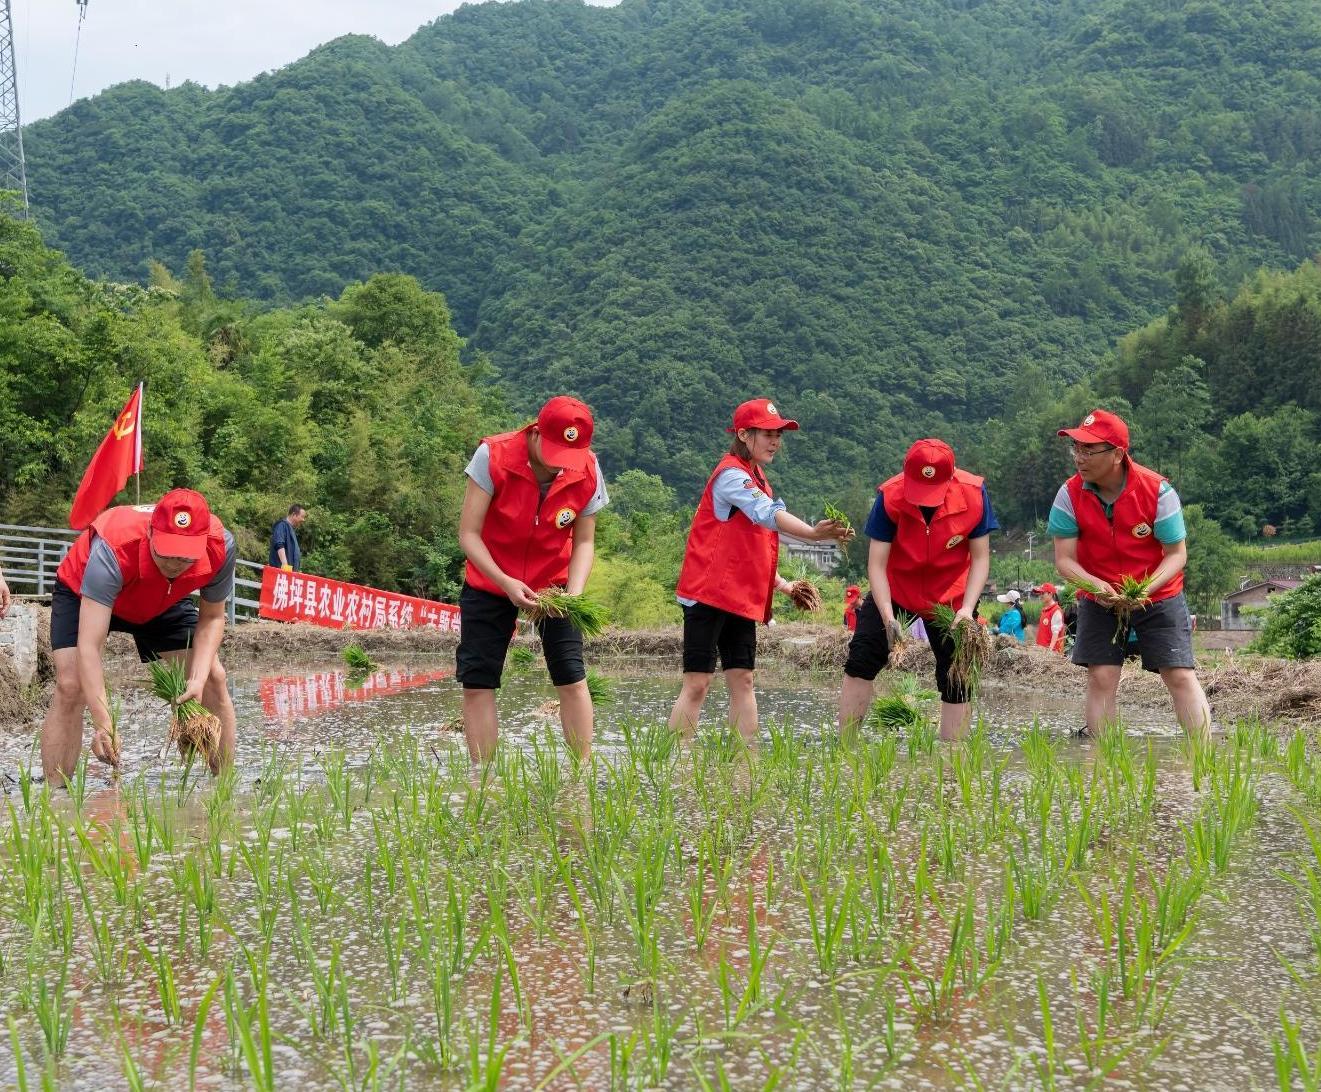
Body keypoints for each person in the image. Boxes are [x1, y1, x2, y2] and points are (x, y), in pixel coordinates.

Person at [669, 399, 852, 742]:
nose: (775, 441)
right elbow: (766, 514)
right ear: (743, 434)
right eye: (768, 434)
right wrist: (812, 534)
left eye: (778, 435)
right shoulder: (731, 475)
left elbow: (751, 547)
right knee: (698, 682)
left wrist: (783, 585)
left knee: (743, 679)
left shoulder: (756, 476)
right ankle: (677, 760)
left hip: (736, 596)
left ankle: (745, 760)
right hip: (707, 594)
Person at [41, 488, 238, 784]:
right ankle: (55, 796)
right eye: (166, 553)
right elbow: (89, 646)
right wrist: (103, 721)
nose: (174, 564)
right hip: (86, 593)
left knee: (213, 677)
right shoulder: (113, 547)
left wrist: (196, 680)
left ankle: (225, 788)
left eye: (185, 557)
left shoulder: (221, 546)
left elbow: (211, 618)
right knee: (71, 685)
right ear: (150, 533)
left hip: (162, 599)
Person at [456, 396, 608, 762]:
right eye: (555, 453)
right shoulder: (493, 456)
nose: (560, 466)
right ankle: (482, 777)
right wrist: (505, 582)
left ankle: (580, 773)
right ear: (536, 433)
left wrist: (573, 596)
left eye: (568, 458)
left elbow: (584, 541)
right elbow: (468, 535)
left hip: (553, 581)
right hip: (491, 578)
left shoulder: (588, 469)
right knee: (478, 681)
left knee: (571, 675)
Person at [1049, 409, 1210, 738]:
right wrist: (1097, 586)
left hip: (1158, 593)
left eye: (1089, 450)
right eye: (1076, 448)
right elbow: (1065, 561)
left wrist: (1145, 589)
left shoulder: (1158, 492)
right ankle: (1101, 754)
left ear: (1118, 454)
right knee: (1101, 676)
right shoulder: (1068, 494)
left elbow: (1176, 554)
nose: (1079, 457)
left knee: (1179, 674)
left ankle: (1203, 755)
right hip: (1098, 596)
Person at [838, 438, 998, 741]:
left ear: (950, 478)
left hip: (951, 596)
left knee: (958, 672)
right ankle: (845, 746)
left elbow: (980, 558)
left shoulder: (974, 494)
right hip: (897, 588)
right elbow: (876, 565)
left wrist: (967, 609)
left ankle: (953, 754)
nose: (926, 501)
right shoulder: (890, 497)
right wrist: (888, 617)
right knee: (862, 657)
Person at [268, 504, 307, 571]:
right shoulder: (282, 525)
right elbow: (279, 544)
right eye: (302, 517)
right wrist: (285, 565)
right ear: (294, 514)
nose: (303, 520)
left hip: (288, 572)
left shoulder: (290, 529)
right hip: (281, 572)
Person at [1033, 582, 1066, 652]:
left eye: (1043, 593)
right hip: (1041, 650)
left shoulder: (1056, 611)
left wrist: (1050, 651)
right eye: (1040, 593)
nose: (1040, 596)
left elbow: (1055, 633)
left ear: (1050, 594)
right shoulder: (1045, 610)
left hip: (1050, 653)